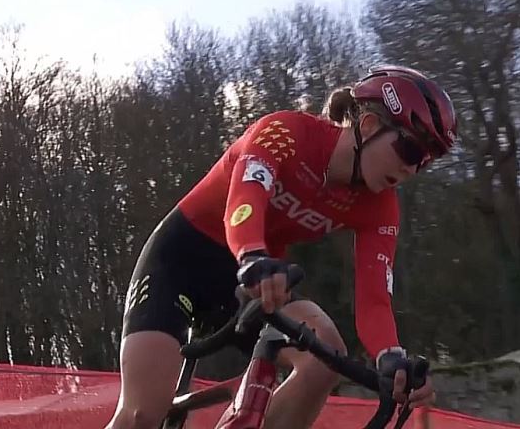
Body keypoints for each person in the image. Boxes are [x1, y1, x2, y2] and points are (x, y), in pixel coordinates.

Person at [105, 66, 457, 429]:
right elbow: (244, 202)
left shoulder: (380, 205)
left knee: (326, 356)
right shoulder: (286, 133)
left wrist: (392, 359)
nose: (412, 169)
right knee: (142, 414)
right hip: (183, 260)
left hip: (254, 281)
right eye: (410, 150)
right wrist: (253, 255)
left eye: (426, 161)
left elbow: (374, 299)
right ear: (368, 125)